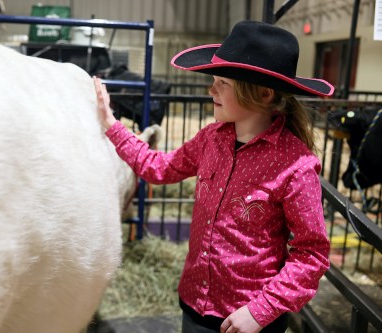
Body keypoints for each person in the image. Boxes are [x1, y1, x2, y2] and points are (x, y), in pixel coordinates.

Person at [93, 20, 333, 333]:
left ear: (262, 94)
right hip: (195, 306)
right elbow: (160, 167)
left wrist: (262, 311)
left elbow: (311, 253)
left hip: (249, 319)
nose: (211, 90)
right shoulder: (210, 139)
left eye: (222, 83)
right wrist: (112, 124)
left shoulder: (296, 165)